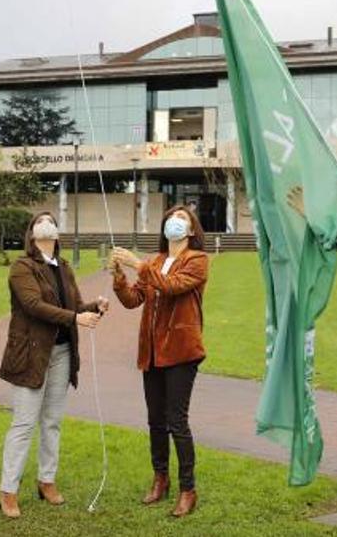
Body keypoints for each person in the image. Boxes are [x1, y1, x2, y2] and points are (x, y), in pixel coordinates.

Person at [0, 212, 107, 518]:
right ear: (32, 233)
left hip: (61, 354)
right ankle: (8, 489)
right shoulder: (22, 267)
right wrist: (75, 317)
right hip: (31, 355)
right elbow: (34, 306)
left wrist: (94, 307)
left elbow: (73, 307)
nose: (46, 223)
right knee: (24, 423)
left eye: (51, 220)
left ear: (57, 232)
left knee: (52, 421)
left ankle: (47, 480)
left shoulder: (65, 267)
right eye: (39, 221)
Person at [109, 205, 209, 518]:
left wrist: (137, 264)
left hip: (181, 351)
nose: (175, 222)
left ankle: (187, 489)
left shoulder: (197, 260)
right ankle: (160, 478)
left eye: (183, 219)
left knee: (177, 421)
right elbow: (132, 300)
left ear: (192, 230)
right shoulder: (154, 261)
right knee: (156, 421)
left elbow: (171, 287)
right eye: (171, 218)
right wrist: (118, 277)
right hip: (151, 353)